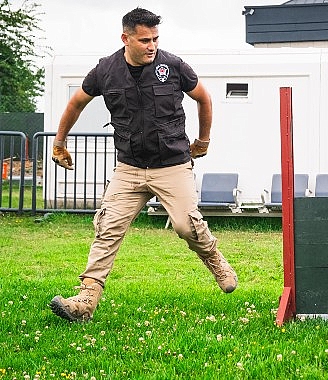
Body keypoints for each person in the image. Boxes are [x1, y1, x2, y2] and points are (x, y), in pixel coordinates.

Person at [49, 7, 237, 322]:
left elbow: (204, 98)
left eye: (155, 39)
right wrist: (59, 142)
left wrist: (203, 142)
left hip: (172, 164)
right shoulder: (106, 70)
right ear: (126, 38)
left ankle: (215, 259)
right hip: (129, 167)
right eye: (144, 40)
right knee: (107, 228)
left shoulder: (173, 66)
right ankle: (85, 301)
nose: (151, 46)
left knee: (185, 226)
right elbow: (76, 102)